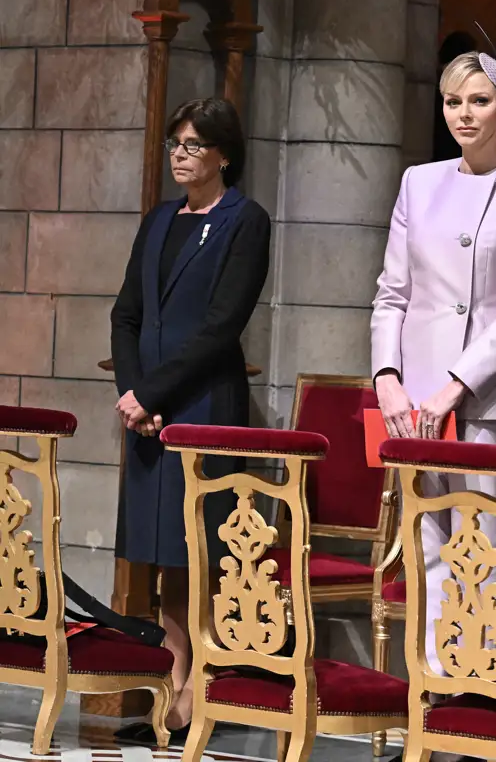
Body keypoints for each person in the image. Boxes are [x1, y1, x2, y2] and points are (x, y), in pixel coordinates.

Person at [370, 51, 496, 686]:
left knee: (478, 551)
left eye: (479, 101)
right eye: (454, 102)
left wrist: (455, 386)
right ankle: (429, 705)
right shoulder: (417, 181)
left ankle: (477, 705)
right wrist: (387, 379)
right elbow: (391, 294)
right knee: (425, 552)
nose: (465, 114)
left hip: (480, 399)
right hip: (412, 401)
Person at [110, 97, 271, 737]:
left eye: (195, 144)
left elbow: (220, 327)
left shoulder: (244, 221)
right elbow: (126, 314)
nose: (181, 153)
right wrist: (134, 394)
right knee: (161, 553)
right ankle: (175, 681)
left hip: (203, 408)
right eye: (177, 142)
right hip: (147, 412)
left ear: (224, 154)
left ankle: (204, 684)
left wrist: (152, 395)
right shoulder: (159, 220)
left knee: (198, 548)